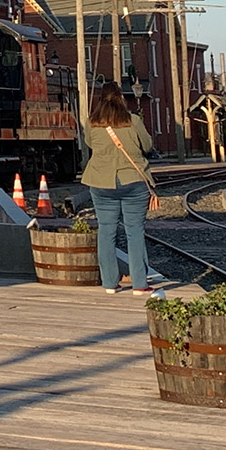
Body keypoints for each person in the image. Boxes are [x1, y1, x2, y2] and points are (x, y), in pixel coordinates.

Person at [79, 80, 158, 295]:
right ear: (121, 98)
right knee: (134, 231)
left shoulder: (91, 123)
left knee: (106, 230)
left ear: (100, 99)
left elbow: (90, 144)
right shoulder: (133, 121)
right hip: (132, 180)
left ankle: (109, 283)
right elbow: (148, 146)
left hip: (100, 181)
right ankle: (140, 284)